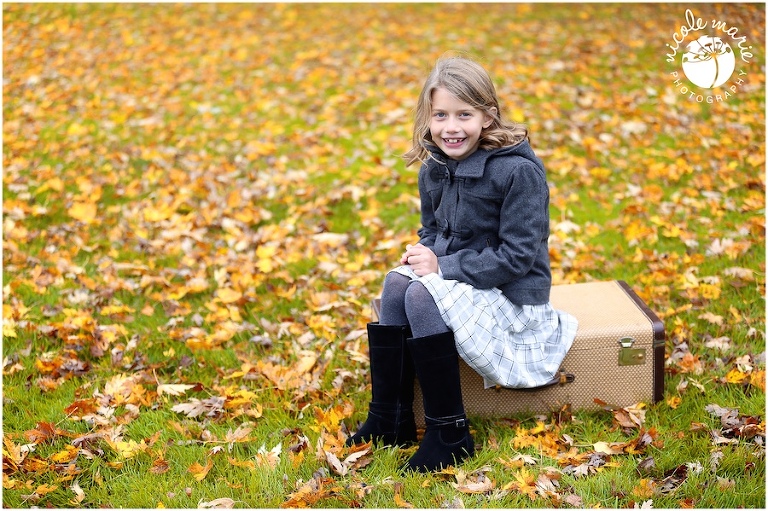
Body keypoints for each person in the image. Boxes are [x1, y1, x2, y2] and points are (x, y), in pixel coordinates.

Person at [346, 56, 578, 473]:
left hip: (513, 298)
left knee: (421, 295)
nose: (451, 127)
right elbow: (432, 229)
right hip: (466, 284)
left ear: (488, 116)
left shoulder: (517, 173)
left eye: (464, 115)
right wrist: (422, 254)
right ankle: (390, 417)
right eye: (440, 115)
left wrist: (442, 267)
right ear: (427, 117)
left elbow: (518, 256)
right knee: (396, 283)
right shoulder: (434, 166)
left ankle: (450, 434)